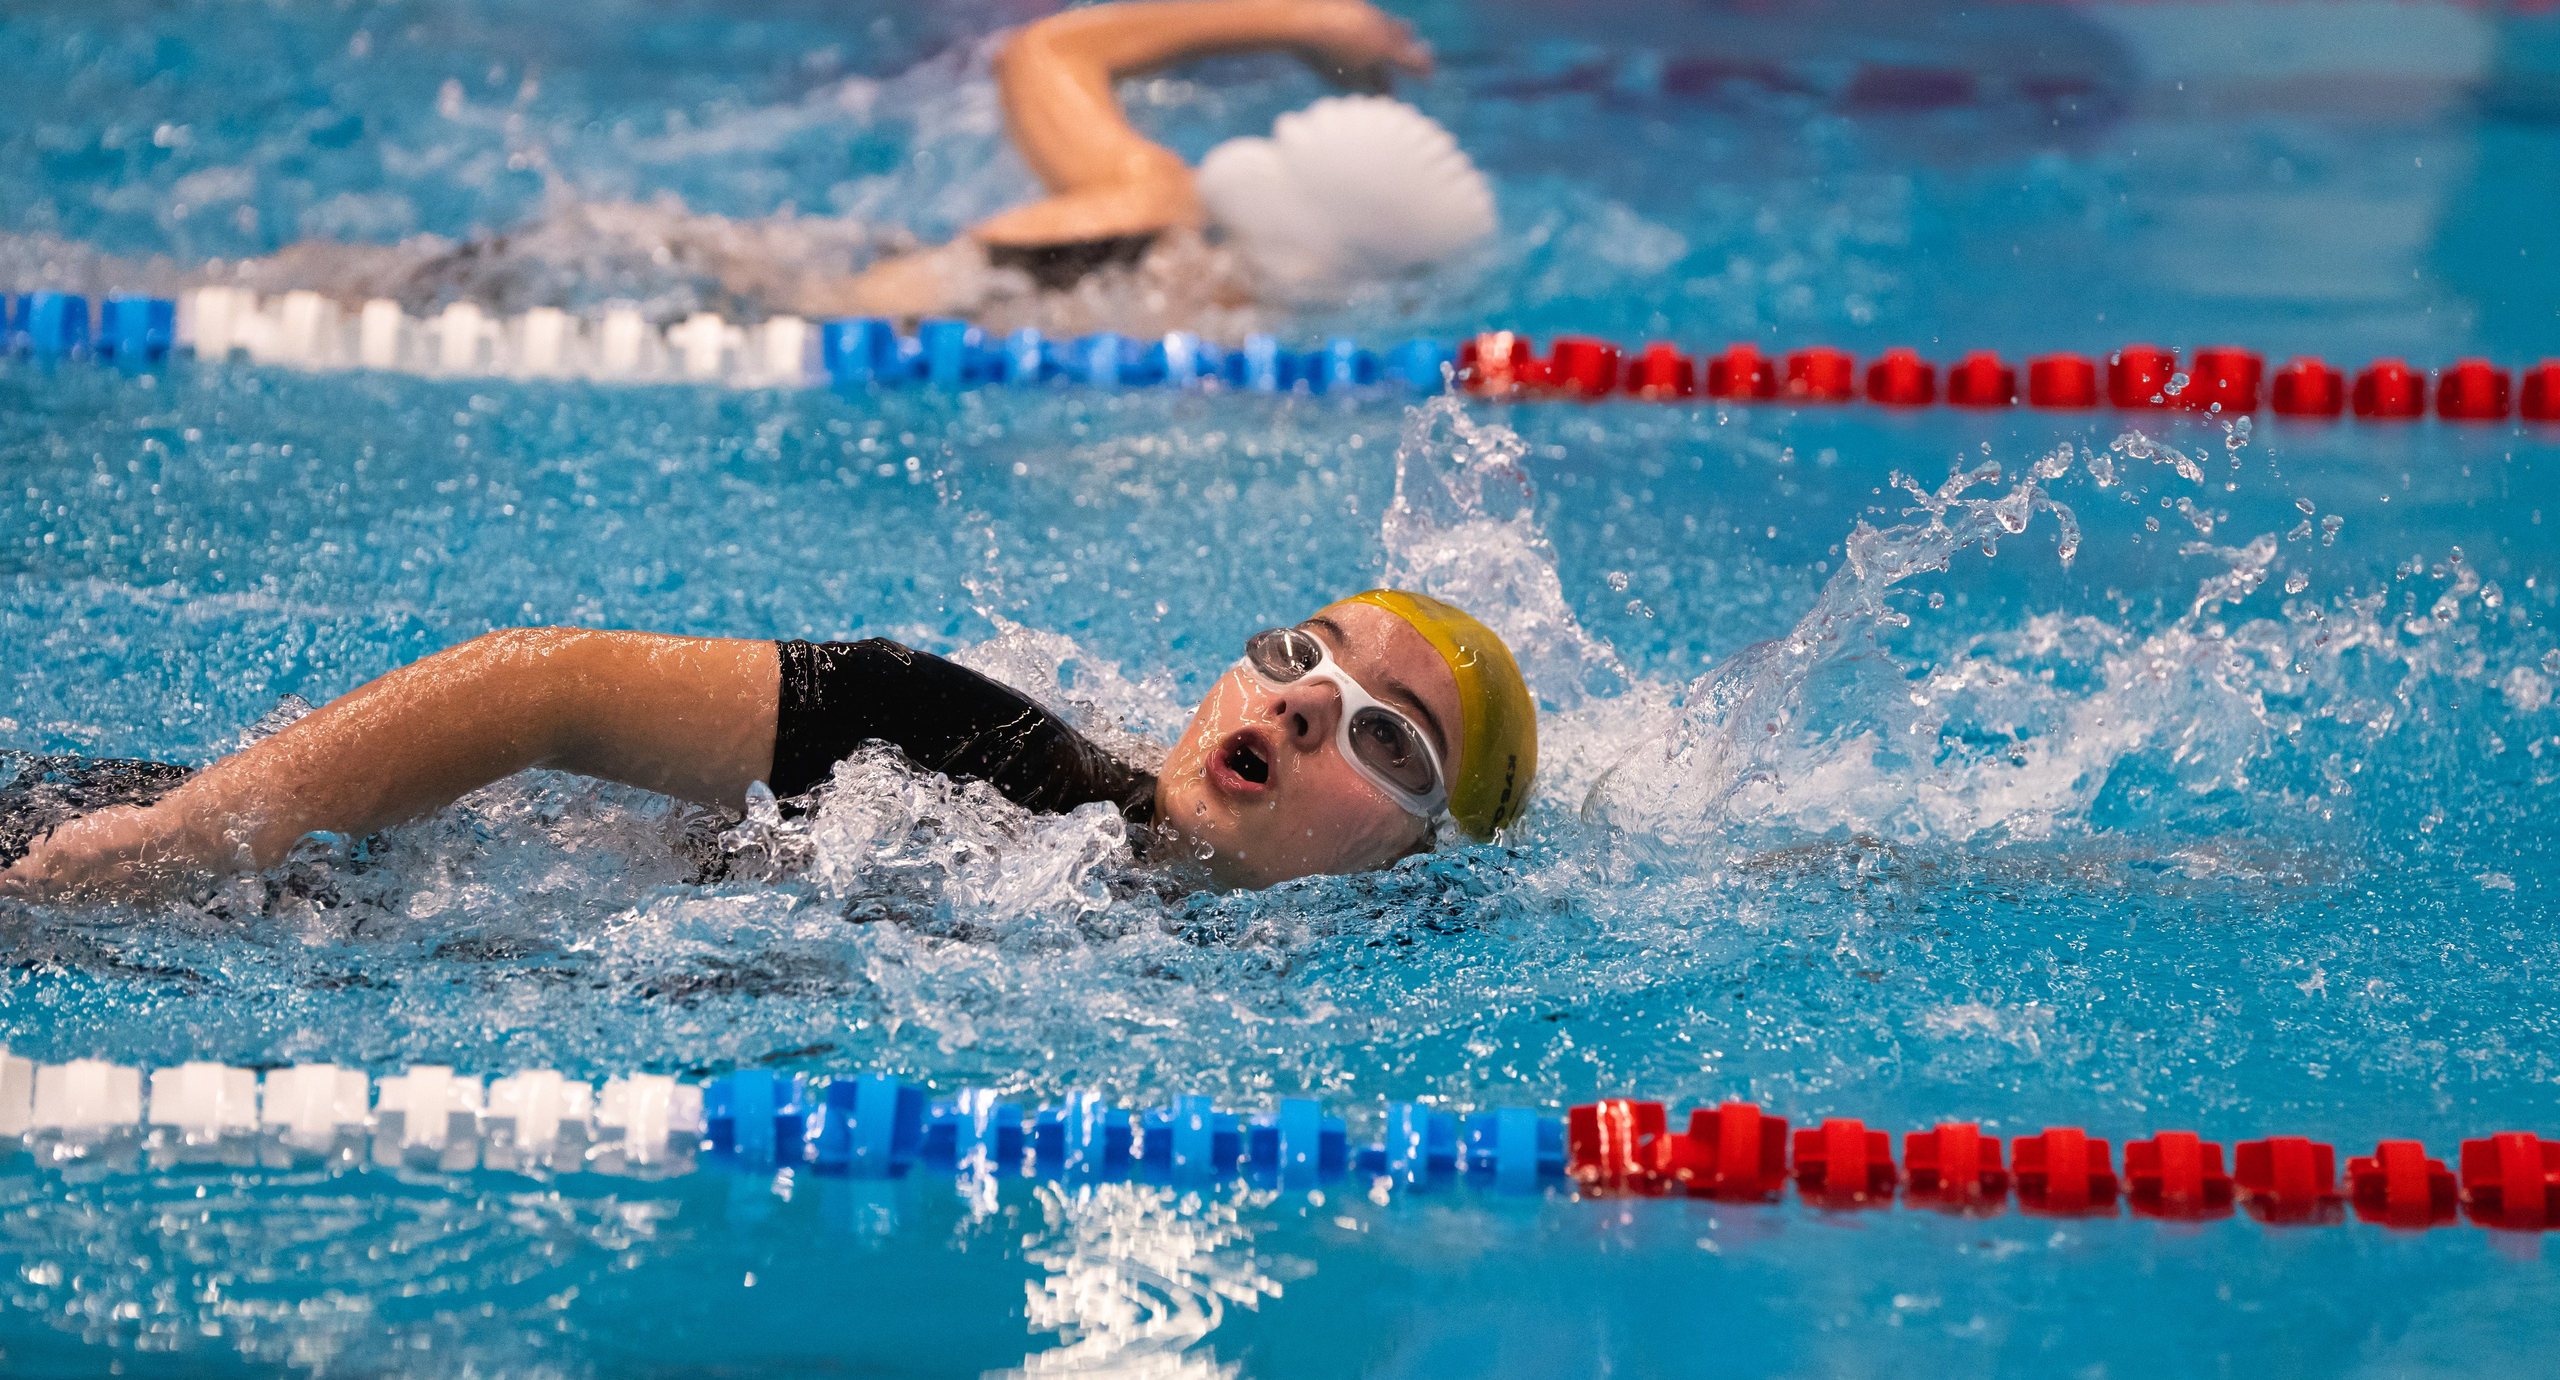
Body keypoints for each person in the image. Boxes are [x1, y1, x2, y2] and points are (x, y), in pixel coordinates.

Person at [0, 590, 1537, 900]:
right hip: (302, 883)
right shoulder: (981, 757)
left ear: (1426, 855)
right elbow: (540, 682)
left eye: (1385, 735)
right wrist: (200, 833)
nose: (1298, 702)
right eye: (1293, 654)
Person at [828, 0, 1497, 316]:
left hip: (812, 314)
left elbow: (1044, 52)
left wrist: (1300, 19)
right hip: (841, 306)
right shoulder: (1170, 234)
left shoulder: (1157, 207)